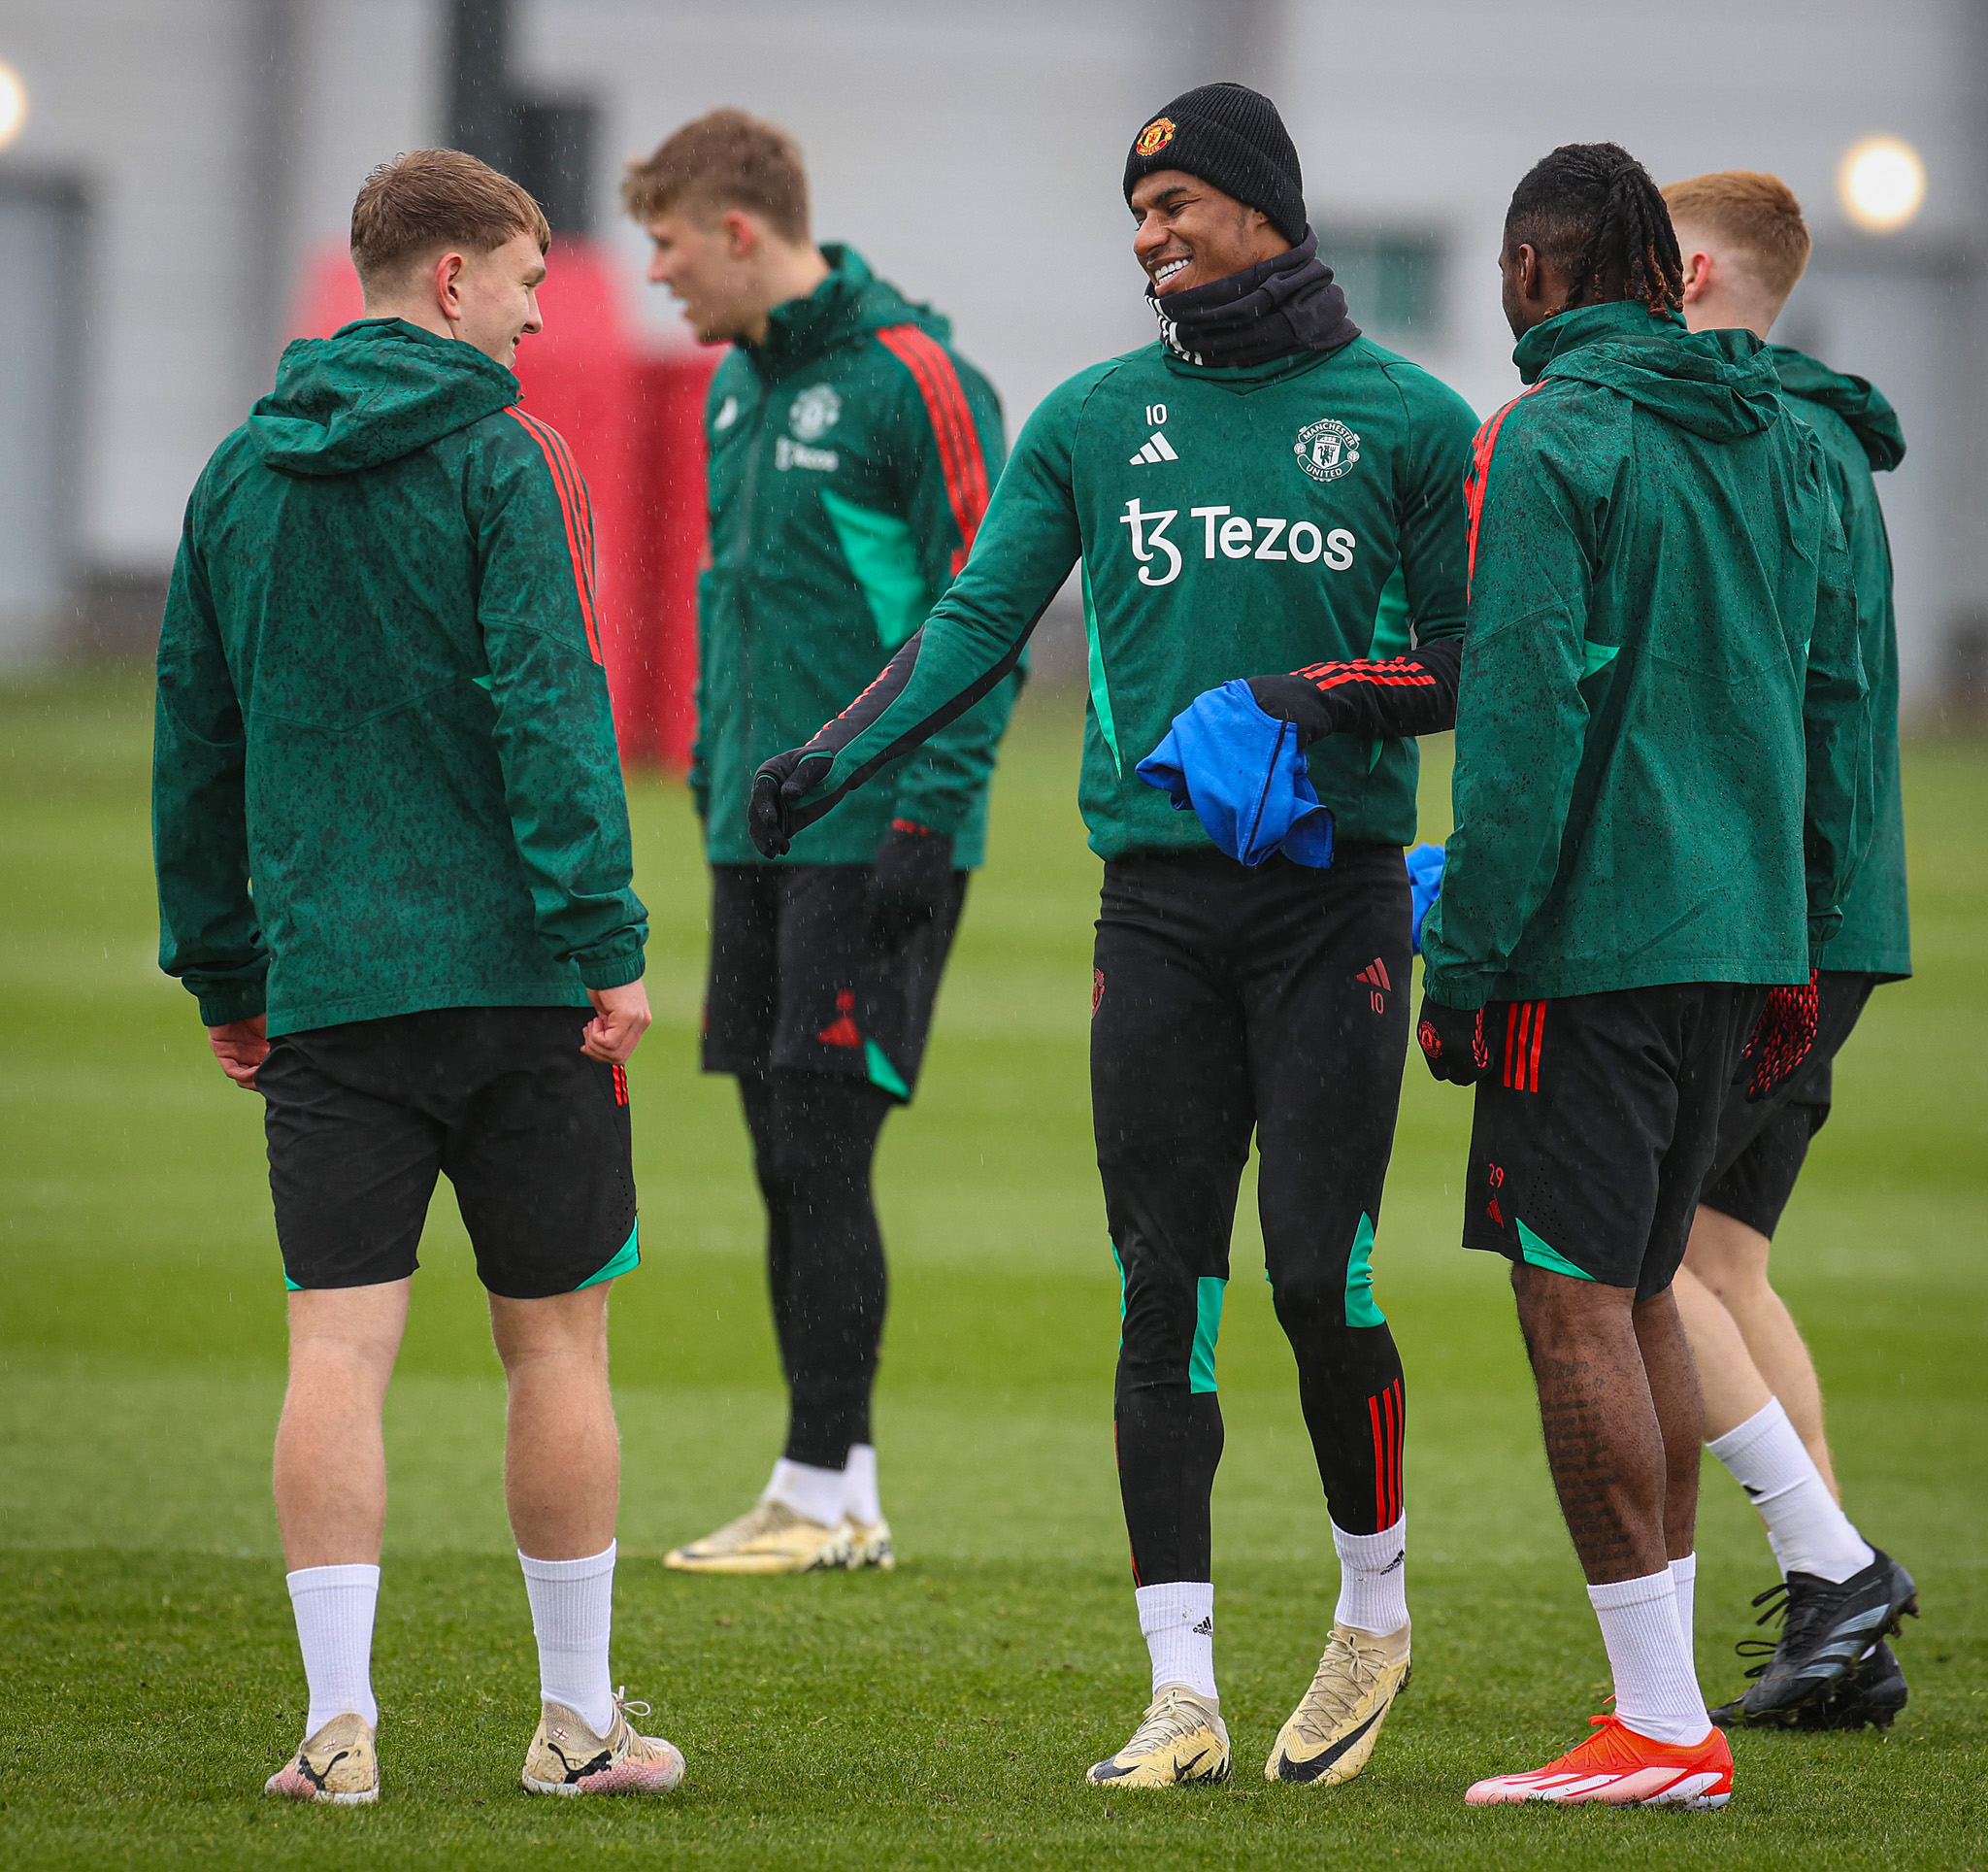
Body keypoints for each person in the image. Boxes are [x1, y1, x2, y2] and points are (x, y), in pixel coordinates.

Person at [752, 83, 1479, 1789]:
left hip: (1335, 913)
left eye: (1177, 204)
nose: (1149, 233)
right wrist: (833, 754)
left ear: (1263, 207)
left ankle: (1371, 1616)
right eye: (1136, 211)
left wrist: (1300, 697)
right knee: (1168, 1298)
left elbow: (1462, 664)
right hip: (1153, 912)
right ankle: (1183, 1697)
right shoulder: (1093, 419)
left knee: (1323, 1278)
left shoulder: (1409, 421)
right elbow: (977, 619)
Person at [152, 150, 680, 1804]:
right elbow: (553, 710)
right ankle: (577, 1728)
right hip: (522, 985)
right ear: (452, 280)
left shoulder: (237, 476)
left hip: (326, 987)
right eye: (527, 282)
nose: (538, 317)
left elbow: (194, 753)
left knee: (335, 1352)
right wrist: (607, 942)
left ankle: (335, 1730)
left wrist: (224, 972)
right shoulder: (508, 458)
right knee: (559, 1353)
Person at [1416, 142, 1872, 1811]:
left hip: (1588, 941)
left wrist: (1466, 964)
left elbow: (1523, 715)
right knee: (1651, 1283)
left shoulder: (1547, 436)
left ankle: (1662, 1727)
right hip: (1738, 934)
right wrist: (1796, 940)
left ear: (1536, 273)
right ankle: (1667, 1708)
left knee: (1574, 1304)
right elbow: (1825, 706)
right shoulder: (1784, 443)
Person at [621, 110, 1015, 1576]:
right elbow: (743, 608)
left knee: (824, 1142)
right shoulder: (735, 389)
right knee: (779, 1153)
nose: (655, 274)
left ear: (738, 229)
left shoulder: (917, 378)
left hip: (876, 827)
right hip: (756, 828)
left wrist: (930, 810)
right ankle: (834, 1493)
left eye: (665, 244)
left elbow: (984, 609)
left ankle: (821, 1486)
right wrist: (720, 781)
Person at [1663, 170, 1917, 1731]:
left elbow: (1794, 701)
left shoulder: (1770, 442)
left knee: (1629, 1251)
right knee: (1722, 1258)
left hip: (1782, 917)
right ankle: (1838, 1630)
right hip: (1829, 908)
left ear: (1687, 273)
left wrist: (1771, 924)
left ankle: (1836, 1572)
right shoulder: (1822, 436)